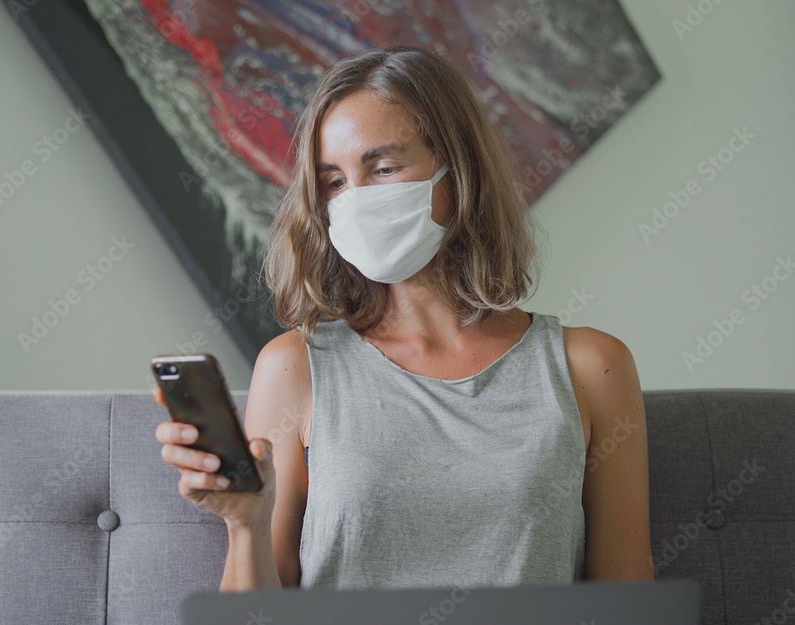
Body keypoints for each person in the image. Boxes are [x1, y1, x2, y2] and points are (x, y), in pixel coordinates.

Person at [154, 44, 653, 591]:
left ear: (458, 170)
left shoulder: (592, 368)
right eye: (334, 182)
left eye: (384, 167)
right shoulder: (295, 368)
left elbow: (628, 597)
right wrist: (244, 524)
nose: (356, 200)